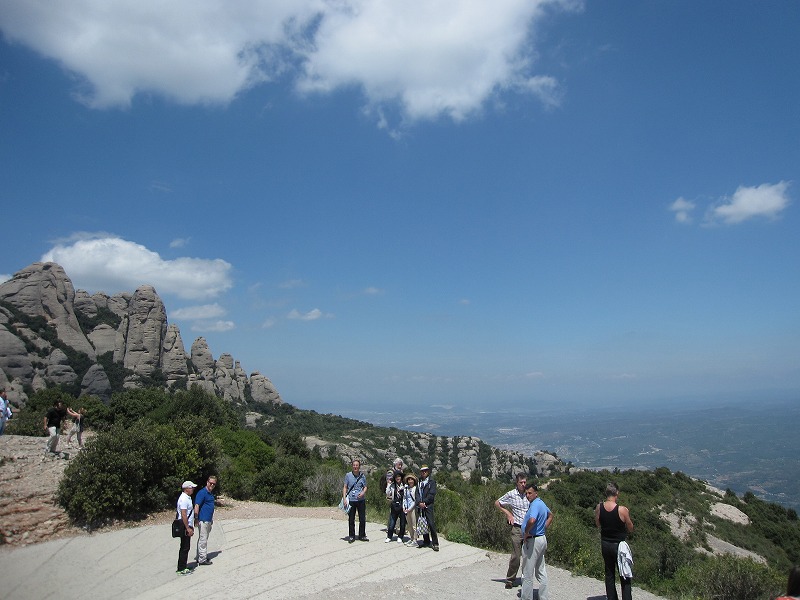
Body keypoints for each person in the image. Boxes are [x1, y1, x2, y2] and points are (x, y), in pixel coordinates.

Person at [595, 482, 635, 600]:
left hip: (605, 543)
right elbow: (630, 528)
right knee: (625, 574)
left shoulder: (599, 507)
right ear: (617, 493)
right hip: (619, 545)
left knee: (609, 574)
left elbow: (597, 524)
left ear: (606, 493)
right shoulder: (622, 510)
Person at [495, 473, 531, 589]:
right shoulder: (511, 494)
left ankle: (526, 579)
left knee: (528, 556)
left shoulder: (529, 493)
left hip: (529, 529)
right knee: (516, 555)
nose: (523, 484)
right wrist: (508, 513)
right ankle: (510, 579)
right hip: (517, 528)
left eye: (525, 482)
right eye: (521, 482)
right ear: (517, 483)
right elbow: (497, 503)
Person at [521, 483, 553, 600]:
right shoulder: (541, 503)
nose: (527, 495)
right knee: (541, 570)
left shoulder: (535, 505)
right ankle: (543, 597)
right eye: (526, 493)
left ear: (536, 493)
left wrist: (526, 532)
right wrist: (544, 527)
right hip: (541, 538)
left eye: (530, 493)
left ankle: (526, 598)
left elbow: (532, 520)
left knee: (528, 571)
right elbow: (550, 515)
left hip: (533, 540)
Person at [343, 459, 368, 543]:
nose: (355, 467)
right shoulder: (348, 475)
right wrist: (344, 498)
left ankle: (362, 535)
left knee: (362, 518)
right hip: (351, 500)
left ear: (359, 466)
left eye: (357, 465)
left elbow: (365, 487)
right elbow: (345, 487)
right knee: (351, 519)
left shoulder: (362, 476)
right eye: (354, 465)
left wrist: (363, 493)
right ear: (352, 466)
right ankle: (351, 536)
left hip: (361, 500)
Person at [194, 475, 217, 566]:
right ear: (207, 482)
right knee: (203, 539)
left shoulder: (210, 494)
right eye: (211, 483)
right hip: (203, 520)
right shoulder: (202, 493)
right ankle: (202, 559)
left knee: (203, 538)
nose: (212, 485)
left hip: (208, 519)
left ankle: (199, 556)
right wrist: (196, 518)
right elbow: (197, 505)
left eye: (214, 484)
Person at [416, 465, 439, 551]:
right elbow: (416, 493)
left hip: (428, 506)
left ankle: (435, 543)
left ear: (428, 472)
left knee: (431, 524)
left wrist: (424, 502)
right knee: (423, 523)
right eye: (422, 471)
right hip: (420, 506)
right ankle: (426, 541)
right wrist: (419, 502)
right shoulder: (419, 482)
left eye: (425, 471)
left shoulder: (431, 482)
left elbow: (432, 494)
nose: (424, 472)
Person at [176, 481, 197, 575]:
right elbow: (183, 514)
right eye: (191, 487)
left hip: (186, 525)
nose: (193, 489)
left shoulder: (187, 498)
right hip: (184, 526)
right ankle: (181, 569)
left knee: (186, 547)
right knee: (184, 547)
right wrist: (187, 528)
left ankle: (183, 565)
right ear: (186, 489)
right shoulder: (184, 499)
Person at [385, 470, 406, 543]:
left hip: (402, 506)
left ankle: (400, 536)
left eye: (399, 476)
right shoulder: (393, 486)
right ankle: (389, 536)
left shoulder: (405, 486)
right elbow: (388, 493)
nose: (398, 478)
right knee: (392, 523)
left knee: (402, 523)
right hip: (394, 505)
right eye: (396, 477)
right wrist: (388, 484)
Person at [403, 473, 419, 547]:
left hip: (413, 509)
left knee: (414, 524)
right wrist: (404, 507)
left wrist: (409, 509)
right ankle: (411, 538)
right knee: (409, 524)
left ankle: (415, 540)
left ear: (414, 481)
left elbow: (415, 500)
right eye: (409, 479)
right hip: (407, 508)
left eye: (411, 479)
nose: (410, 481)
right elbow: (404, 498)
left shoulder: (415, 488)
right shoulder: (406, 488)